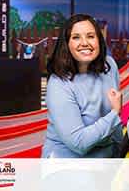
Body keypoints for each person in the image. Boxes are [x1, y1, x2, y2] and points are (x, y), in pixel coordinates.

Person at [41, 14, 123, 158]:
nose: (84, 43)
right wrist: (115, 114)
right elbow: (78, 144)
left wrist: (120, 156)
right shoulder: (59, 83)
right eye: (76, 37)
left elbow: (115, 131)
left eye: (91, 36)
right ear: (67, 44)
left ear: (99, 40)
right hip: (67, 163)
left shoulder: (109, 65)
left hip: (106, 159)